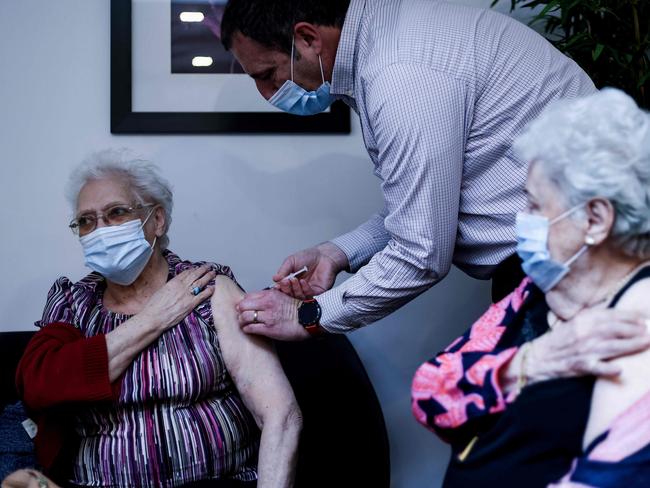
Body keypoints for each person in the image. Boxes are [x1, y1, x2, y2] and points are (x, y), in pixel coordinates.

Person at [218, 0, 596, 341]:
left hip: (580, 272)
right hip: (571, 259)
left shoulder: (401, 75)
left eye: (267, 74)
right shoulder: (390, 39)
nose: (267, 95)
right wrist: (336, 253)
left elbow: (421, 253)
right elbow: (423, 203)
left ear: (307, 38)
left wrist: (309, 315)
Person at [16, 150, 302, 488]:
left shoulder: (207, 288)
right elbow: (38, 388)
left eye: (116, 213)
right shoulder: (74, 304)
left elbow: (280, 415)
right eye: (86, 221)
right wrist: (154, 317)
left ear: (157, 220)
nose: (100, 230)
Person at [411, 89, 650, 487]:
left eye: (536, 205)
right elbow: (429, 393)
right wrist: (533, 360)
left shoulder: (634, 322)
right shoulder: (537, 290)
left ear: (594, 220)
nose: (522, 219)